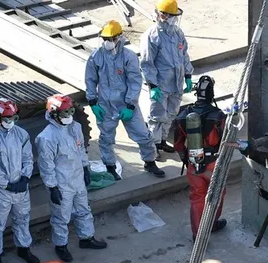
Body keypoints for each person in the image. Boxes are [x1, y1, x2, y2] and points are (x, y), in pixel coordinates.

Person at [86, 20, 166, 180]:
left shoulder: (128, 56)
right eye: (105, 39)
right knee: (106, 138)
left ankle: (150, 162)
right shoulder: (96, 56)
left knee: (143, 135)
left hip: (127, 104)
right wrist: (93, 102)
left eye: (111, 39)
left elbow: (134, 81)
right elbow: (90, 80)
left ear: (118, 38)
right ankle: (110, 167)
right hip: (105, 105)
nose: (108, 43)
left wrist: (130, 104)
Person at [36, 94, 108, 262]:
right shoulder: (46, 138)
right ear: (53, 114)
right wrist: (52, 187)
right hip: (61, 183)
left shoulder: (75, 127)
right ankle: (61, 245)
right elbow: (46, 166)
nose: (68, 116)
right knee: (61, 216)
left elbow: (81, 149)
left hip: (77, 177)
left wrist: (85, 168)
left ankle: (86, 238)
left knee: (83, 209)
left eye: (70, 112)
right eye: (64, 113)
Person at [0, 98, 38, 263]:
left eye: (13, 118)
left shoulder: (21, 134)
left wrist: (25, 178)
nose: (10, 122)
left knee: (23, 218)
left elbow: (28, 157)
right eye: (6, 119)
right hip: (1, 192)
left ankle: (24, 248)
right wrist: (8, 185)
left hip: (21, 187)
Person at [172, 75, 229, 236]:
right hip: (213, 165)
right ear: (211, 94)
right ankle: (212, 224)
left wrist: (187, 159)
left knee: (197, 199)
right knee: (217, 194)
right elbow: (225, 140)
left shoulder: (183, 116)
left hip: (194, 163)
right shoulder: (218, 116)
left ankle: (197, 234)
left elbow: (178, 144)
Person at [142, 0, 194, 153]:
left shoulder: (177, 33)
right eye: (171, 15)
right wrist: (152, 85)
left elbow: (184, 55)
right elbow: (147, 62)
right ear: (162, 15)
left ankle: (162, 140)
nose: (173, 18)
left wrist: (188, 74)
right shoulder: (151, 36)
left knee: (171, 113)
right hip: (161, 84)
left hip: (176, 82)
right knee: (156, 116)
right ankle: (153, 146)